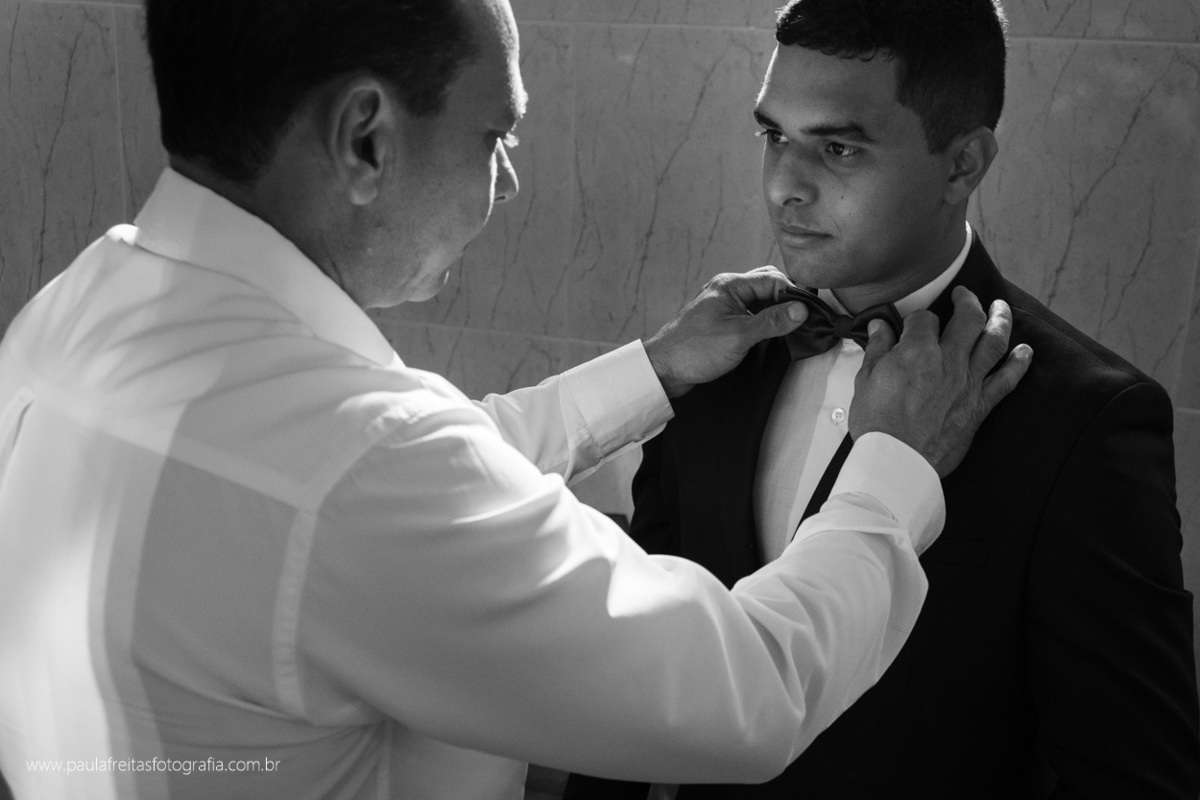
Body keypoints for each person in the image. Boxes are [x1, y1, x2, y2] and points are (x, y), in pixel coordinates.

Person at [0, 0, 1030, 798]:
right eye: (496, 136)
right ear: (366, 137)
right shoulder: (362, 472)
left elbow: (340, 504)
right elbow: (739, 690)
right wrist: (891, 470)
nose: (510, 182)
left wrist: (651, 370)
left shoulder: (71, 314)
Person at [564, 0, 1200, 798]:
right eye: (773, 136)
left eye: (836, 146)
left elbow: (1132, 775)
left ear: (964, 163)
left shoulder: (1084, 421)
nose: (783, 187)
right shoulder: (716, 357)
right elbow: (632, 666)